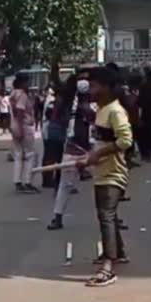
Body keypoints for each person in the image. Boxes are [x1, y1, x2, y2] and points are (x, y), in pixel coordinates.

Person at [73, 67, 133, 287]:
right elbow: (102, 141)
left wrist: (97, 155)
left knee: (106, 215)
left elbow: (125, 141)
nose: (90, 90)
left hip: (113, 173)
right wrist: (89, 157)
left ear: (107, 88)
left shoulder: (115, 111)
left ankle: (108, 266)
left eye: (94, 86)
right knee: (110, 215)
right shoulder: (102, 110)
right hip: (102, 171)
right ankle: (119, 252)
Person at [47, 76, 81, 230]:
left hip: (86, 144)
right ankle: (57, 216)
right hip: (74, 144)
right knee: (65, 183)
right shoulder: (70, 103)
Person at [10, 73, 39, 193]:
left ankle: (17, 181)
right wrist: (21, 128)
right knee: (29, 155)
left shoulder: (13, 94)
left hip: (14, 125)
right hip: (24, 126)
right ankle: (27, 182)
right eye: (27, 82)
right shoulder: (22, 95)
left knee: (18, 154)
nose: (28, 84)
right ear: (23, 83)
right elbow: (20, 110)